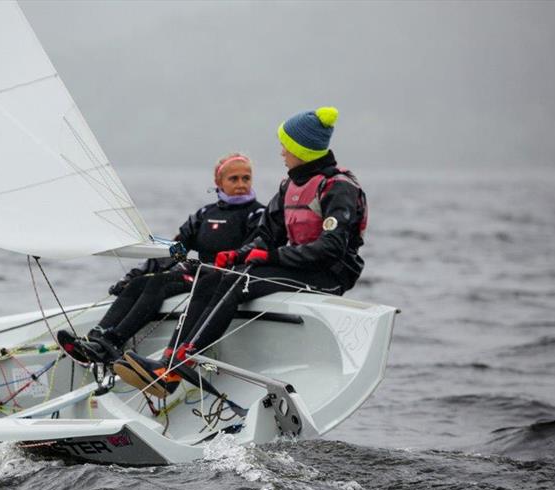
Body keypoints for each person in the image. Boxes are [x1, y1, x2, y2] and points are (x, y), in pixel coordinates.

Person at [114, 107, 368, 398]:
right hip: (298, 267)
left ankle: (182, 361)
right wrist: (237, 255)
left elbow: (331, 248)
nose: (282, 152)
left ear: (302, 148)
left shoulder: (339, 187)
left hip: (330, 273)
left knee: (239, 281)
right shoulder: (290, 185)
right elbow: (267, 236)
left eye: (286, 145)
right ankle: (169, 363)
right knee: (214, 274)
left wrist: (272, 258)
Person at [58, 153, 265, 364]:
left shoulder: (257, 214)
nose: (241, 184)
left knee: (158, 283)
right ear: (218, 182)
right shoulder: (204, 214)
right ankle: (95, 338)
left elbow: (251, 252)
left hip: (218, 280)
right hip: (198, 274)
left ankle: (112, 341)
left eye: (246, 178)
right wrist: (132, 276)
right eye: (234, 179)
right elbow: (175, 250)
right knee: (140, 282)